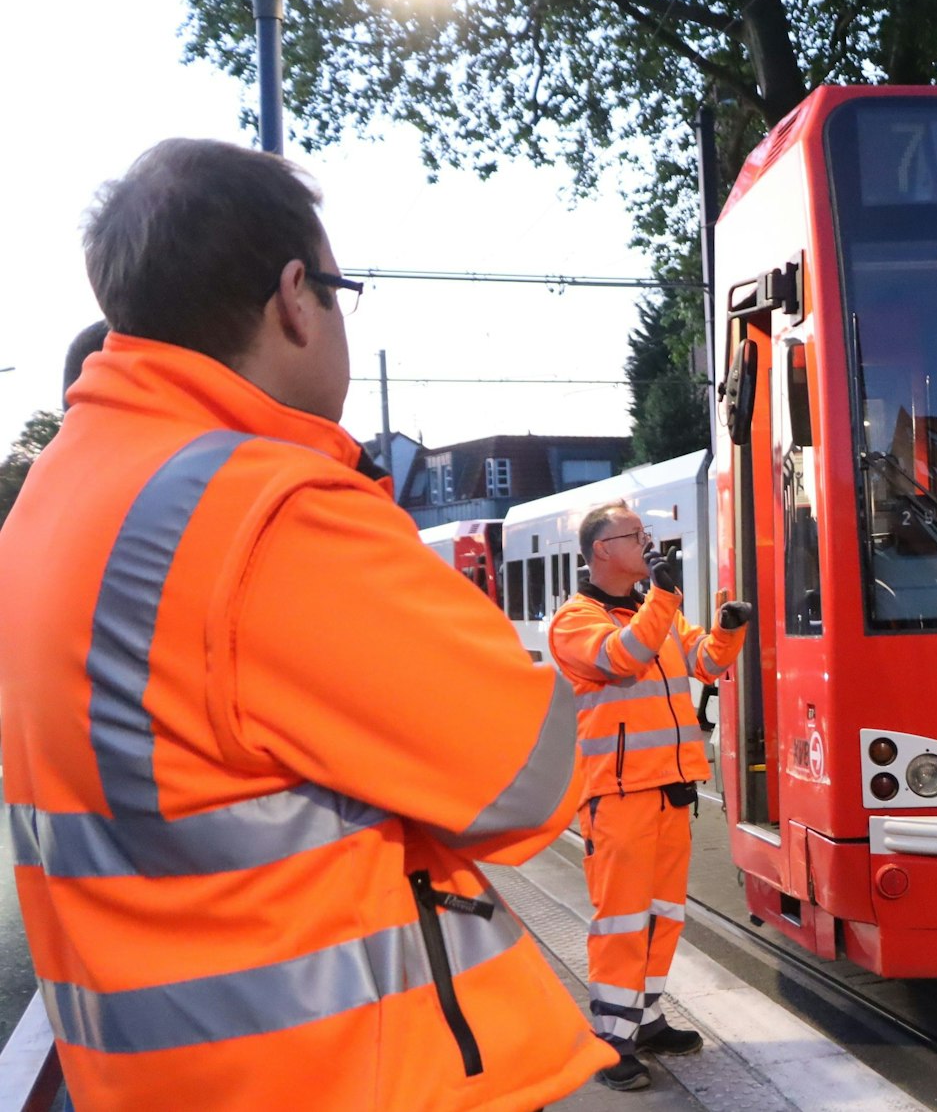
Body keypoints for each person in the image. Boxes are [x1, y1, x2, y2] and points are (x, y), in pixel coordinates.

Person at [0, 139, 614, 1110]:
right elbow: (527, 778)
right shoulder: (265, 511)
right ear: (295, 297)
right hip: (342, 1077)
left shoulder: (52, 502)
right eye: (339, 291)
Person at [546, 503, 750, 1091]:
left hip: (670, 789)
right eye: (635, 535)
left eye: (646, 533)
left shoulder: (651, 613)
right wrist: (662, 598)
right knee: (621, 921)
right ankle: (612, 1040)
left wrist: (727, 629)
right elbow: (622, 658)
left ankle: (647, 1018)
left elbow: (705, 662)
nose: (647, 542)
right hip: (618, 795)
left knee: (663, 915)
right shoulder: (575, 621)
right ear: (603, 549)